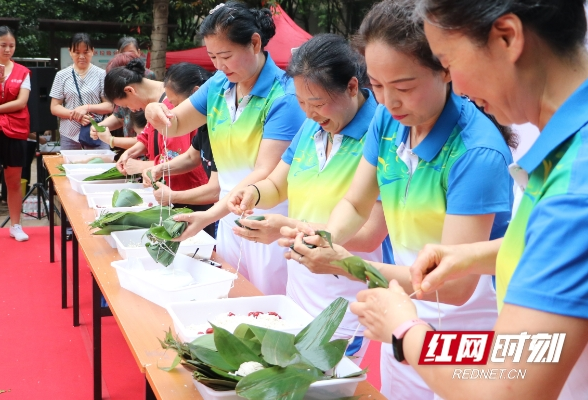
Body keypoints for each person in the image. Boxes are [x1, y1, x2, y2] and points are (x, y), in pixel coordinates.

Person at [350, 0, 588, 399]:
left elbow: (503, 390)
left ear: (507, 38)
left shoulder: (574, 187)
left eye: (448, 60)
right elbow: (551, 248)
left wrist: (406, 330)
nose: (456, 87)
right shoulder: (565, 149)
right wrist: (475, 255)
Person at [281, 1, 516, 398]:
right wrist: (326, 234)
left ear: (446, 69)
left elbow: (453, 286)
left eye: (403, 87)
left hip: (459, 332)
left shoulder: (476, 154)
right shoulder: (388, 122)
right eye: (376, 84)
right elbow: (356, 204)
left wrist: (347, 264)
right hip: (400, 316)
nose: (389, 101)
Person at [226, 34, 388, 360]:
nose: (309, 114)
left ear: (352, 87)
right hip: (299, 285)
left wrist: (289, 227)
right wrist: (253, 193)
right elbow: (277, 184)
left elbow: (370, 234)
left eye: (316, 103)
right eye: (301, 104)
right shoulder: (313, 128)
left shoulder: (381, 134)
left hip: (343, 298)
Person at [144, 1, 306, 295]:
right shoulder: (220, 83)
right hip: (227, 213)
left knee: (265, 306)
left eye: (226, 56)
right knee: (231, 299)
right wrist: (154, 112)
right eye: (212, 56)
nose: (218, 65)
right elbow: (176, 123)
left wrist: (210, 214)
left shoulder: (284, 96)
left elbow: (265, 173)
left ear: (255, 43)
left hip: (267, 218)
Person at [103, 60, 208, 200]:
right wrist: (131, 152)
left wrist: (142, 166)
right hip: (171, 191)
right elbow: (147, 135)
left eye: (127, 105)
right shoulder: (158, 102)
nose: (132, 110)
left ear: (130, 90)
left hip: (185, 192)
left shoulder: (172, 103)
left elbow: (181, 156)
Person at [142, 62, 217, 237]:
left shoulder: (219, 125)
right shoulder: (204, 122)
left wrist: (173, 196)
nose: (173, 111)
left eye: (175, 104)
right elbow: (192, 157)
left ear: (196, 93)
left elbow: (216, 189)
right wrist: (160, 169)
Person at [49, 33, 113, 150]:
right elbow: (54, 107)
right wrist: (75, 115)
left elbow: (109, 106)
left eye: (86, 52)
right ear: (70, 51)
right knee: (69, 166)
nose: (81, 56)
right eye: (77, 52)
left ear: (93, 51)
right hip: (69, 133)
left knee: (100, 166)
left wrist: (87, 108)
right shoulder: (61, 75)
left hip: (96, 131)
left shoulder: (101, 74)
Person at [0, 26, 31, 241]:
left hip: (14, 130)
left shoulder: (23, 72)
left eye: (11, 46)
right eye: (3, 45)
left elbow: (21, 102)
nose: (8, 49)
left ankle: (16, 225)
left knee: (13, 180)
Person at [90, 52, 153, 144]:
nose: (132, 109)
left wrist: (111, 140)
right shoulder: (124, 95)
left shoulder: (152, 105)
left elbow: (146, 142)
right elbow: (119, 117)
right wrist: (100, 126)